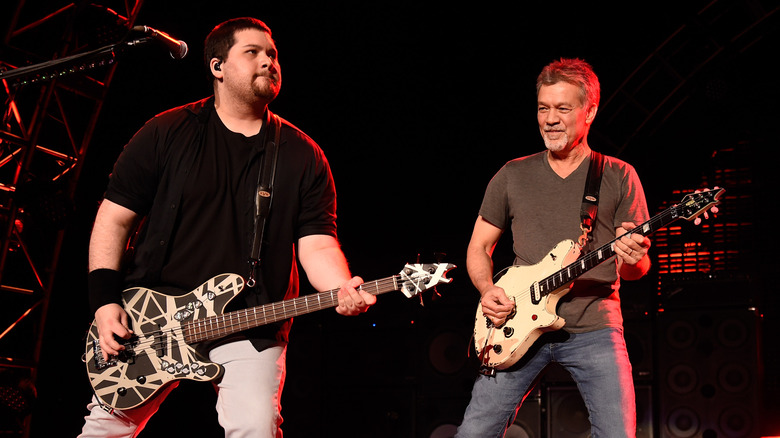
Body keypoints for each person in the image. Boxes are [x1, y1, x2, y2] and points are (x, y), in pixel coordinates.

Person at [79, 17, 376, 437]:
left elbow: (318, 244)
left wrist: (341, 287)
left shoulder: (303, 155)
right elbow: (114, 218)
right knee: (104, 430)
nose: (268, 61)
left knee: (256, 426)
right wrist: (104, 302)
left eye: (272, 54)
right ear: (217, 67)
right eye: (252, 52)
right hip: (151, 318)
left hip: (250, 320)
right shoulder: (165, 131)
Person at [455, 58, 652, 438]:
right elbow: (479, 246)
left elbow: (636, 270)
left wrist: (633, 259)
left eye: (563, 108)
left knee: (617, 433)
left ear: (590, 110)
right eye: (544, 108)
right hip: (517, 323)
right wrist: (487, 289)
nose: (550, 119)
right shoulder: (513, 174)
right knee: (473, 433)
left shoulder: (619, 175)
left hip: (594, 326)